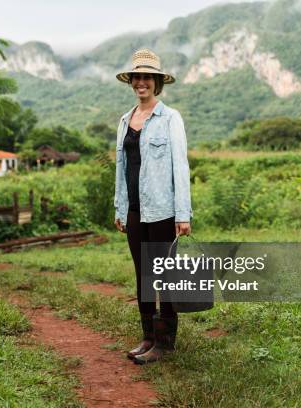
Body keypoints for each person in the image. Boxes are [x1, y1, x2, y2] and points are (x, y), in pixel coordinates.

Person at [114, 48, 192, 365]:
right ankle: (147, 338)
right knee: (143, 274)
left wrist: (183, 214)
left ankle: (165, 343)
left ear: (157, 82)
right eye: (137, 77)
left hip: (162, 210)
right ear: (131, 81)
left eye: (147, 77)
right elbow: (122, 167)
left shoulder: (170, 118)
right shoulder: (125, 120)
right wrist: (120, 209)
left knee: (164, 275)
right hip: (135, 210)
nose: (141, 82)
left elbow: (181, 167)